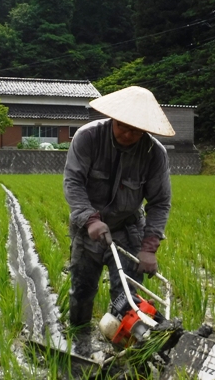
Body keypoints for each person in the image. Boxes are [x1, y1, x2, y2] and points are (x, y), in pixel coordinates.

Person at [63, 86, 174, 347]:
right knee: (82, 290)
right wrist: (90, 219)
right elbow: (73, 183)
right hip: (88, 229)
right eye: (123, 126)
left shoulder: (154, 154)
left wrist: (149, 248)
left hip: (128, 229)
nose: (128, 134)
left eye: (136, 130)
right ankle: (78, 342)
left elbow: (159, 202)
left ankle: (123, 350)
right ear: (114, 118)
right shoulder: (87, 138)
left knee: (126, 295)